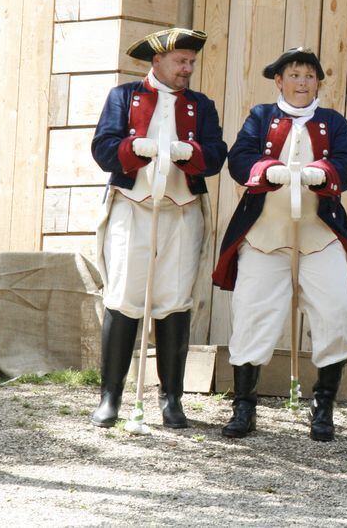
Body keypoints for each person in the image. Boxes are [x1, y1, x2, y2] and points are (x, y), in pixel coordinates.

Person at [212, 47, 347, 442]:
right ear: (279, 80)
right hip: (264, 236)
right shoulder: (261, 117)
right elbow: (239, 158)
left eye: (309, 76)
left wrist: (322, 172)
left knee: (337, 313)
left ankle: (323, 405)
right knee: (251, 315)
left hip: (319, 235)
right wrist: (266, 170)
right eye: (294, 75)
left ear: (317, 84)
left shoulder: (332, 122)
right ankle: (244, 406)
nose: (301, 83)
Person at [90, 28, 227, 429]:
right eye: (181, 61)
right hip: (132, 208)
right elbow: (102, 148)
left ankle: (172, 401)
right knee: (124, 295)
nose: (188, 69)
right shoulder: (124, 96)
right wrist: (131, 150)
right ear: (158, 61)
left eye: (191, 62)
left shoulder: (202, 106)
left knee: (175, 300)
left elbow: (217, 155)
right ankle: (110, 398)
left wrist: (194, 154)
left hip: (182, 211)